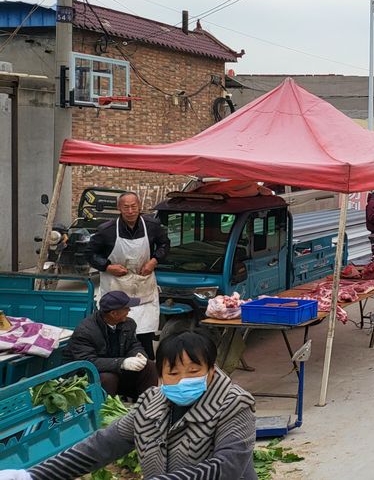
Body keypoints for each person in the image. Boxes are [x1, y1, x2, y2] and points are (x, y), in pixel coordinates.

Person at [19, 329, 257, 479]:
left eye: (194, 371)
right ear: (161, 375)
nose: (183, 380)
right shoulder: (150, 405)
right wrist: (32, 475)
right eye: (173, 373)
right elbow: (100, 447)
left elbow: (228, 467)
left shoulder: (234, 405)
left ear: (211, 372)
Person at [89, 192, 169, 359]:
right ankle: (119, 364)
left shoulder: (152, 225)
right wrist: (108, 267)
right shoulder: (106, 230)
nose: (131, 211)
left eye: (134, 206)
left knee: (145, 332)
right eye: (126, 207)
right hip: (116, 286)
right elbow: (90, 254)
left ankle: (147, 366)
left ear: (139, 207)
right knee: (118, 330)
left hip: (143, 285)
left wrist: (154, 261)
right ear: (119, 208)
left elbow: (165, 244)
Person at [64, 290, 158, 400]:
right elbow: (87, 361)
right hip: (88, 375)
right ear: (114, 313)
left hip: (117, 371)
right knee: (108, 378)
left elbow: (133, 344)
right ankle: (104, 412)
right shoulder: (85, 330)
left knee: (149, 366)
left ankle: (147, 405)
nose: (129, 310)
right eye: (126, 308)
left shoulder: (128, 323)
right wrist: (121, 363)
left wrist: (139, 355)